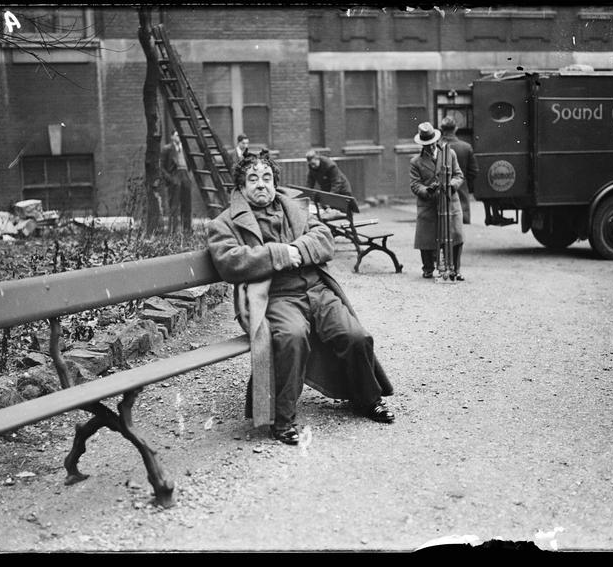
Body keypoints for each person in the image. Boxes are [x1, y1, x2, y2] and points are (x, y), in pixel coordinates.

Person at [207, 153, 395, 445]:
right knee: (291, 337)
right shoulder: (225, 222)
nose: (261, 185)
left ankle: (367, 399)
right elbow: (229, 261)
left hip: (316, 289)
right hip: (276, 296)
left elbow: (323, 237)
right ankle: (282, 420)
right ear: (241, 186)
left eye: (267, 178)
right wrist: (280, 254)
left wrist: (297, 249)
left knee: (356, 336)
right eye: (252, 179)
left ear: (274, 182)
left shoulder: (293, 208)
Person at [409, 122, 466, 280]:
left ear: (436, 140)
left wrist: (450, 186)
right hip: (428, 204)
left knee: (455, 235)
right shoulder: (416, 162)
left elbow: (458, 175)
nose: (430, 147)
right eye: (426, 145)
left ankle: (455, 269)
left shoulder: (450, 154)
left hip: (449, 202)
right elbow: (414, 185)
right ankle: (428, 268)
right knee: (426, 237)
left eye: (431, 143)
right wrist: (427, 190)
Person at [439, 116, 479, 225]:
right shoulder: (466, 147)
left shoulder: (437, 147)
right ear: (455, 128)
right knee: (462, 225)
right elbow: (473, 171)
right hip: (461, 190)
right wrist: (465, 185)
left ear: (441, 129)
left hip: (439, 192)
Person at [160, 130, 192, 233]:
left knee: (187, 206)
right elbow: (161, 167)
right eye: (177, 135)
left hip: (185, 177)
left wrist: (188, 177)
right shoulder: (167, 149)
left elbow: (190, 165)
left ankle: (187, 231)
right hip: (175, 177)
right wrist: (171, 179)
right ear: (172, 137)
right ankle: (173, 232)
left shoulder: (185, 149)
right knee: (174, 207)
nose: (179, 138)